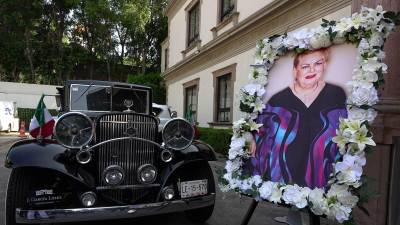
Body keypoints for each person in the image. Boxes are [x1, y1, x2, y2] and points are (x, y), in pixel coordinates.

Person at [247, 48, 347, 189]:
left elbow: (342, 132)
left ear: (325, 65)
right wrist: (250, 136)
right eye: (305, 66)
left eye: (318, 63)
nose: (312, 70)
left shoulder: (336, 94)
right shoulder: (277, 100)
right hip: (284, 178)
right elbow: (261, 133)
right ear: (295, 71)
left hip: (320, 179)